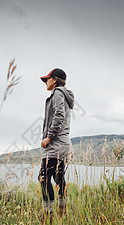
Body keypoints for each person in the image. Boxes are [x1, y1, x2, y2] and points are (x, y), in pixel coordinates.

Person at [38, 68, 74, 214]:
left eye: (47, 79)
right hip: (63, 143)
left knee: (43, 177)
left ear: (55, 79)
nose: (45, 82)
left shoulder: (58, 92)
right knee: (58, 178)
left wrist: (49, 137)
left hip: (56, 143)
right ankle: (61, 210)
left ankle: (49, 214)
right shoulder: (64, 95)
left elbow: (59, 115)